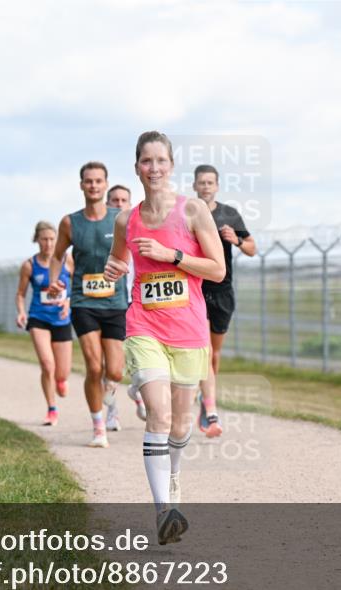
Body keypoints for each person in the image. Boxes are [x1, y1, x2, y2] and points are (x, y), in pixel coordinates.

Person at [104, 130, 225, 545]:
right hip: (144, 325)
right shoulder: (126, 218)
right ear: (136, 166)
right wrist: (113, 269)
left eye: (160, 161)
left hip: (188, 328)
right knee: (156, 412)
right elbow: (119, 258)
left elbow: (217, 269)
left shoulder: (192, 211)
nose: (153, 168)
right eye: (145, 161)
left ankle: (173, 480)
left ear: (171, 166)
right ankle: (163, 511)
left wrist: (171, 256)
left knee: (178, 423)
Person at [46, 161, 129, 447]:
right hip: (83, 302)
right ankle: (98, 427)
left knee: (116, 371)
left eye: (98, 181)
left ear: (105, 185)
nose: (93, 185)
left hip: (116, 302)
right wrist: (55, 281)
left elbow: (135, 251)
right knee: (94, 367)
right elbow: (57, 256)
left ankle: (110, 392)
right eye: (88, 181)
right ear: (81, 185)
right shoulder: (70, 222)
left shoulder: (121, 218)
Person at [192, 164, 257, 437]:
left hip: (222, 291)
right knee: (204, 350)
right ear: (195, 186)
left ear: (216, 186)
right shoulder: (189, 213)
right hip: (196, 288)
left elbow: (253, 248)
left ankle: (205, 396)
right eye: (201, 182)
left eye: (210, 182)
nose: (206, 187)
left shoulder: (229, 214)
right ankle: (210, 407)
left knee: (214, 353)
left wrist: (237, 241)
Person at [16, 221, 74, 426]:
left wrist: (68, 302)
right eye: (44, 239)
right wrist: (21, 313)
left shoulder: (68, 260)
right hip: (38, 318)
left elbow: (77, 287)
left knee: (62, 371)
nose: (49, 244)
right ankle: (51, 409)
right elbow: (21, 294)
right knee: (47, 365)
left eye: (52, 239)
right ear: (37, 240)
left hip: (61, 318)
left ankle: (60, 379)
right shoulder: (29, 265)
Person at [109, 184, 146, 421]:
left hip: (135, 305)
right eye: (115, 200)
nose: (119, 204)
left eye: (124, 200)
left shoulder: (138, 234)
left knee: (138, 357)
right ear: (107, 204)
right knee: (112, 365)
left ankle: (139, 392)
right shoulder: (103, 239)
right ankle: (111, 411)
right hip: (108, 307)